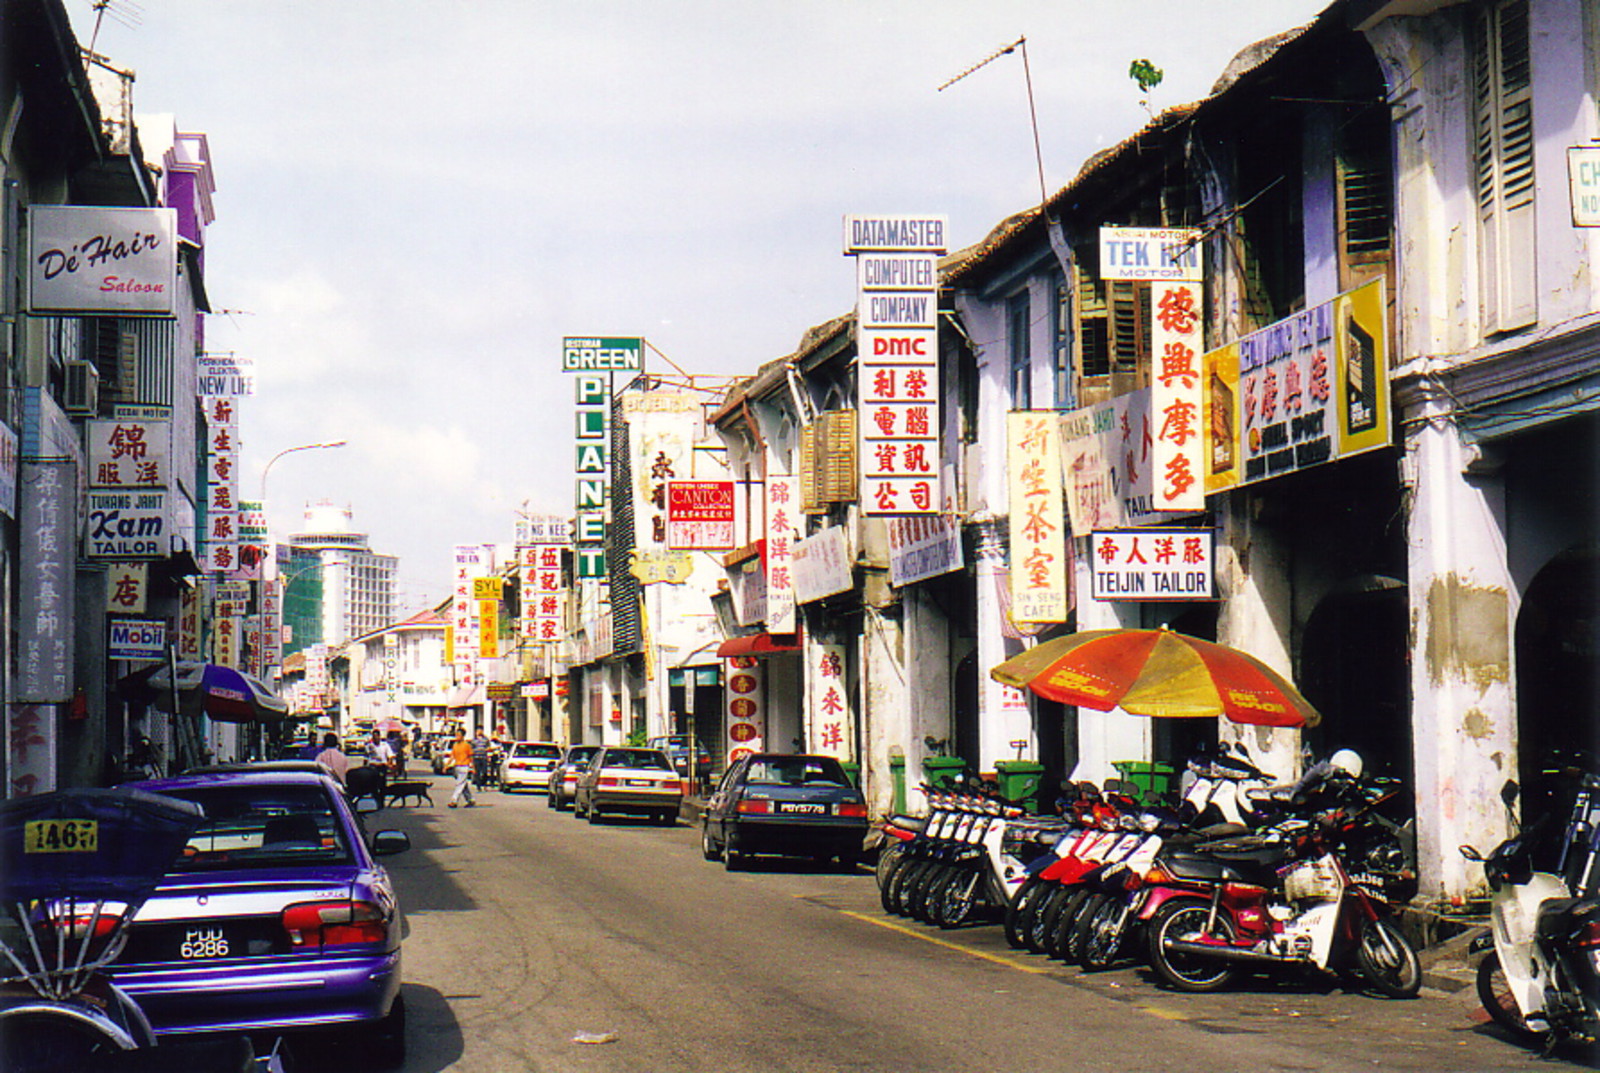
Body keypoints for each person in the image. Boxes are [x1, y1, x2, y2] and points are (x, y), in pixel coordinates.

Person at [447, 728, 476, 808]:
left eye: (459, 735)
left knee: (459, 784)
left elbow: (470, 756)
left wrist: (472, 767)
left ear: (463, 736)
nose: (457, 737)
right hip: (457, 767)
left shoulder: (467, 745)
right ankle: (470, 800)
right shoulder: (455, 745)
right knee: (463, 784)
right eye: (456, 735)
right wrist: (447, 765)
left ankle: (454, 800)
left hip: (464, 766)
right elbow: (452, 756)